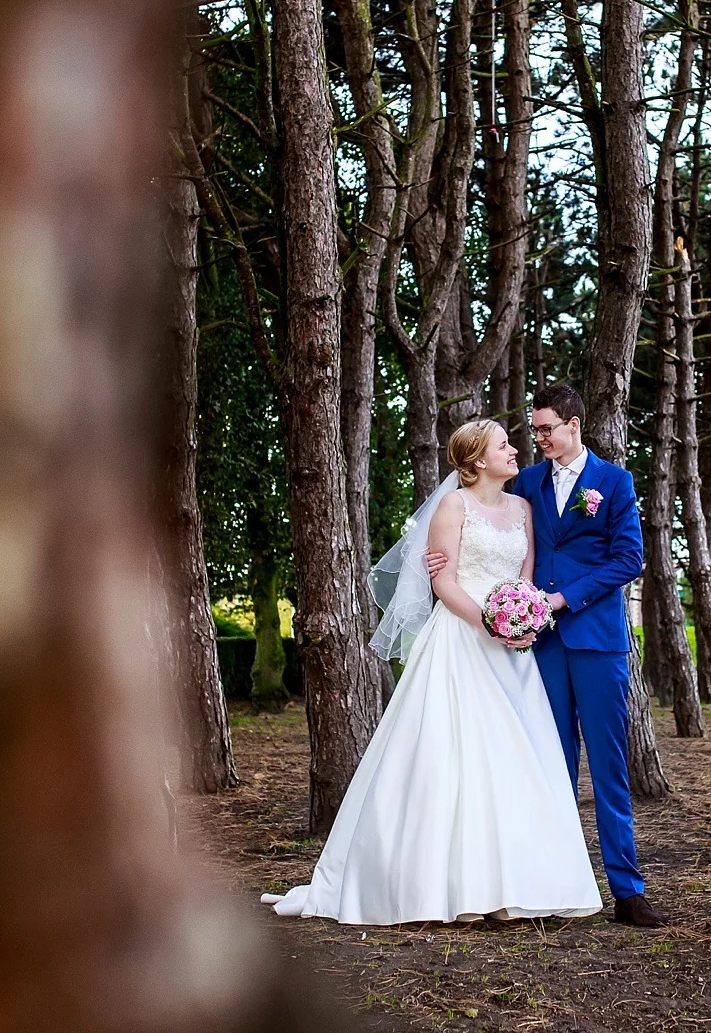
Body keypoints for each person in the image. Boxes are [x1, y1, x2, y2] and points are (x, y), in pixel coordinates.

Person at [260, 419, 602, 925]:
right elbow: (443, 584)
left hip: (513, 649)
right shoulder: (452, 506)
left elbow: (525, 577)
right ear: (479, 461)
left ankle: (514, 888)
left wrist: (524, 616)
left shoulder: (523, 508)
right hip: (463, 641)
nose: (515, 450)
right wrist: (490, 623)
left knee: (514, 760)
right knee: (454, 757)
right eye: (504, 445)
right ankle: (452, 889)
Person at [429, 383, 665, 927]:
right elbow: (492, 537)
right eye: (533, 431)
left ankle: (627, 889)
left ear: (574, 425)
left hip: (597, 638)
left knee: (608, 765)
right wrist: (446, 570)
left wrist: (562, 597)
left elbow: (629, 559)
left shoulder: (615, 482)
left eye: (545, 429)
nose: (537, 439)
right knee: (547, 763)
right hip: (538, 644)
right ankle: (551, 884)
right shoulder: (526, 484)